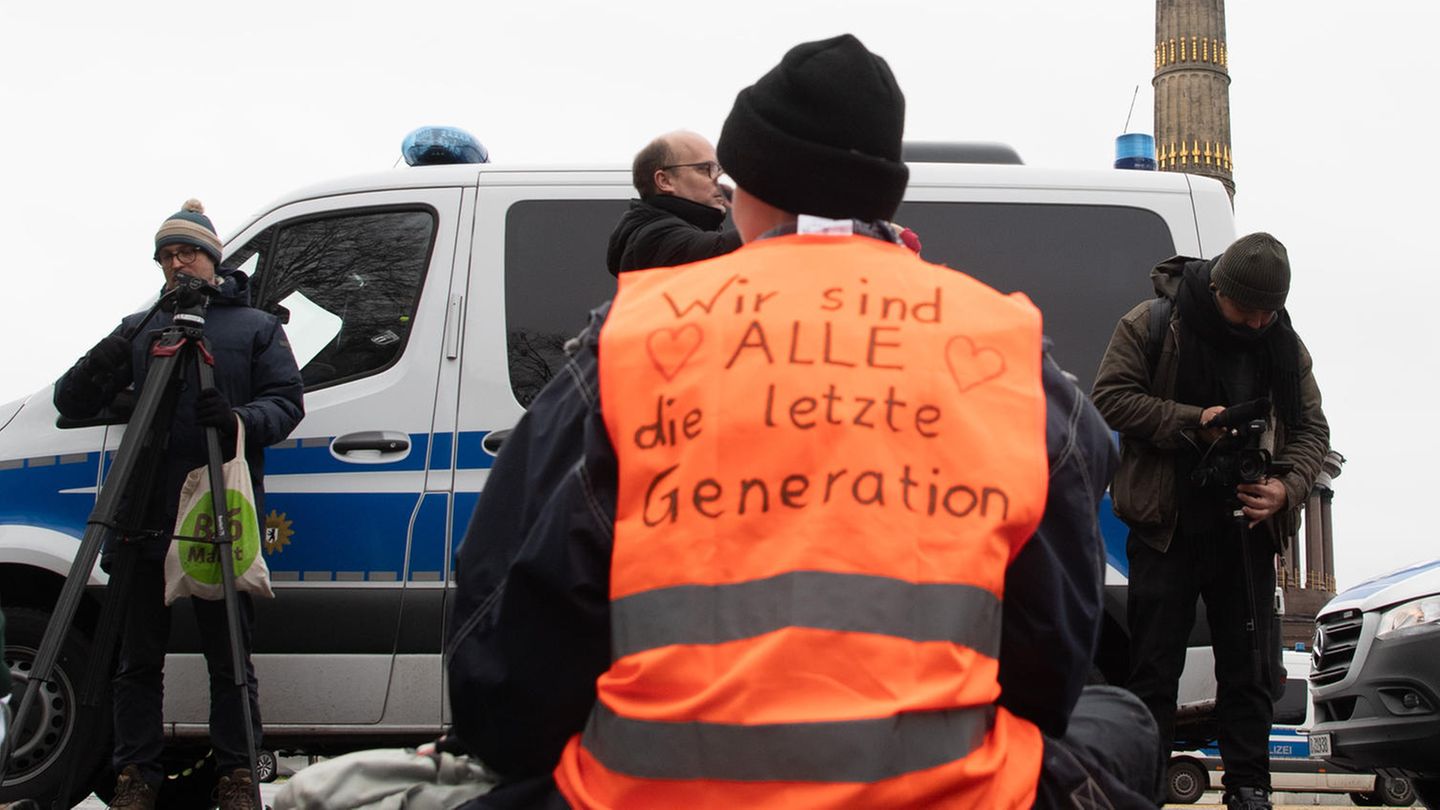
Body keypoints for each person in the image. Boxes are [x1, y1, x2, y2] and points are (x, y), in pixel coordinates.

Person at [446, 34, 1157, 809]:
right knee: (1119, 715)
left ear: (747, 191)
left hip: (647, 795)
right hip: (944, 794)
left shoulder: (635, 337)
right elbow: (1049, 664)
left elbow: (503, 660)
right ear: (885, 198)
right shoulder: (1009, 352)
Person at [53, 200, 304, 810]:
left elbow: (288, 403)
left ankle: (239, 775)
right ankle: (135, 775)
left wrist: (239, 418)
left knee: (230, 660)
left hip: (220, 509)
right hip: (143, 508)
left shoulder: (254, 327)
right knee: (136, 661)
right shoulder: (144, 327)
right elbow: (72, 399)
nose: (175, 264)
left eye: (185, 252)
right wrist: (117, 349)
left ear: (213, 258)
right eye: (165, 256)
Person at [1091, 233, 1330, 810]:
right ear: (1219, 287)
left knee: (1249, 676)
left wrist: (1285, 486)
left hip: (1247, 528)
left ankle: (1251, 793)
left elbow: (1312, 434)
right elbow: (1109, 399)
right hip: (1165, 528)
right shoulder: (1152, 323)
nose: (1255, 324)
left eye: (1267, 313)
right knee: (1153, 673)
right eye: (1246, 310)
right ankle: (1140, 793)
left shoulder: (1283, 345)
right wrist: (1197, 420)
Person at [605, 129, 742, 275]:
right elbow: (721, 250)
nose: (718, 179)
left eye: (719, 170)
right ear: (664, 181)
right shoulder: (654, 237)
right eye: (704, 169)